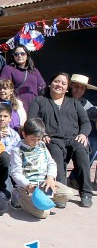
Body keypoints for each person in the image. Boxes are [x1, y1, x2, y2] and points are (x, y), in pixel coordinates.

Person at [28, 73, 93, 208]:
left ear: (67, 88)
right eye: (57, 82)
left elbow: (86, 122)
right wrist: (42, 133)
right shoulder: (39, 100)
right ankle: (60, 193)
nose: (59, 85)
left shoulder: (74, 103)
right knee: (55, 154)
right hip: (51, 138)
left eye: (63, 83)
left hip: (73, 138)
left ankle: (86, 192)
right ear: (50, 84)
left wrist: (83, 134)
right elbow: (31, 120)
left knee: (81, 151)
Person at [11, 118, 74, 218]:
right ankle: (18, 197)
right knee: (43, 213)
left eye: (39, 139)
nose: (36, 142)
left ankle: (42, 200)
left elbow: (51, 163)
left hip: (43, 184)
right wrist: (27, 185)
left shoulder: (41, 145)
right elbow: (16, 173)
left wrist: (50, 177)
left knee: (68, 194)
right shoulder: (17, 150)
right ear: (24, 134)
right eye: (32, 139)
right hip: (28, 187)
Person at [0, 45, 45, 110]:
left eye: (22, 54)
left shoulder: (34, 71)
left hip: (33, 107)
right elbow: (3, 88)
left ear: (27, 56)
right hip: (16, 107)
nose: (19, 56)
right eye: (16, 54)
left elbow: (42, 88)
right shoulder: (8, 69)